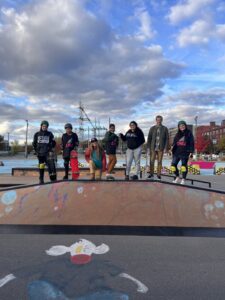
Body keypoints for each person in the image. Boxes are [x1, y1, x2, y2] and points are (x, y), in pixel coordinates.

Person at [171, 120, 194, 185]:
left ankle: (183, 179)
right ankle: (177, 177)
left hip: (185, 152)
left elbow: (192, 142)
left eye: (183, 125)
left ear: (185, 126)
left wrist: (191, 152)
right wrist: (172, 147)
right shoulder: (177, 133)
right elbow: (174, 142)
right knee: (173, 166)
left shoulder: (189, 133)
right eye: (180, 126)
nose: (182, 127)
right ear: (179, 127)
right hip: (177, 152)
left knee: (183, 166)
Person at [147, 115, 169, 180]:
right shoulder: (152, 128)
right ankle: (151, 174)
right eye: (157, 120)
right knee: (151, 161)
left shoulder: (165, 128)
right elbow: (149, 138)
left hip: (161, 148)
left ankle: (158, 175)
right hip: (153, 148)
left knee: (159, 161)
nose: (158, 121)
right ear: (156, 120)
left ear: (161, 120)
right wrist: (148, 148)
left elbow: (167, 138)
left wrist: (165, 148)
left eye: (160, 120)